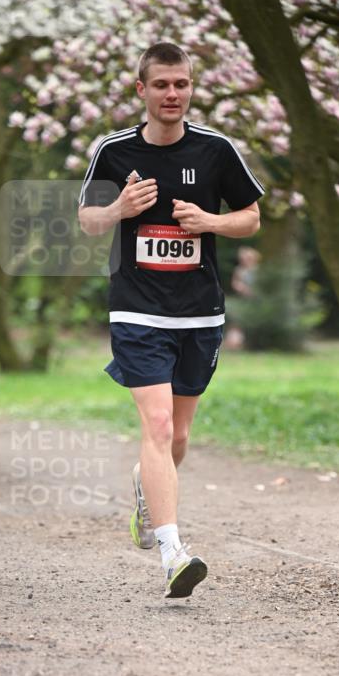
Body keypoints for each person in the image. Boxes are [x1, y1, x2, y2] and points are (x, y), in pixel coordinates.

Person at [78, 41, 264, 598]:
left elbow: (252, 219)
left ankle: (144, 486)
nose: (172, 94)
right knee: (156, 426)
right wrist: (119, 211)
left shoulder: (216, 151)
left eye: (181, 84)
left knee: (178, 436)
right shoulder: (112, 151)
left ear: (190, 89)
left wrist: (209, 220)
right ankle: (172, 553)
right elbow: (87, 222)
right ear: (142, 90)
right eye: (161, 84)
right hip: (136, 307)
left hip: (198, 312)